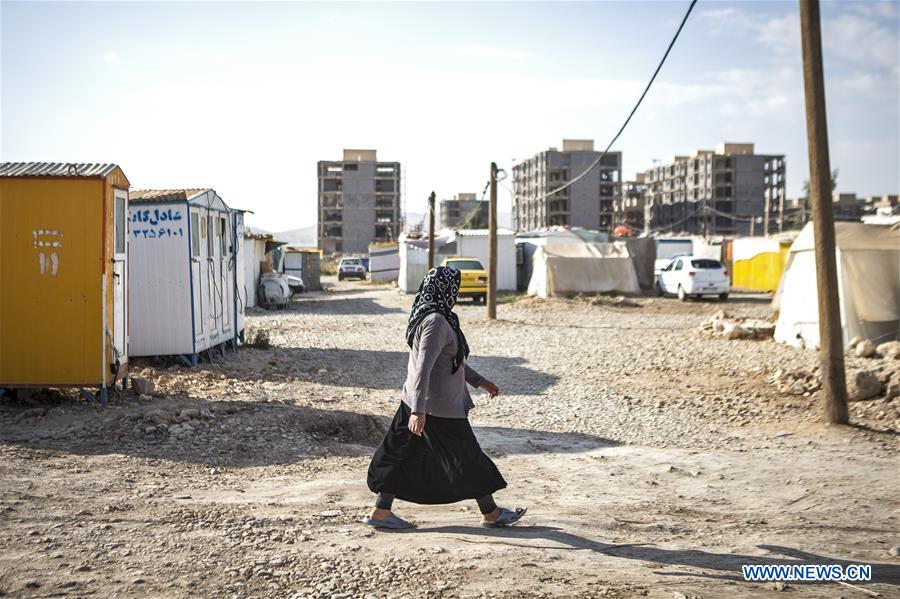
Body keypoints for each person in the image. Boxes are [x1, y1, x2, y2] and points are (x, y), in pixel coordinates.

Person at [364, 266, 526, 530]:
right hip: (435, 408)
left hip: (419, 403)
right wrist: (418, 411)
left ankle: (381, 513)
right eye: (455, 287)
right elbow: (423, 367)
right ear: (445, 289)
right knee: (467, 457)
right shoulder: (437, 322)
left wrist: (479, 381)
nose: (457, 292)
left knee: (399, 454)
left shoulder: (434, 316)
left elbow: (450, 361)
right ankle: (492, 514)